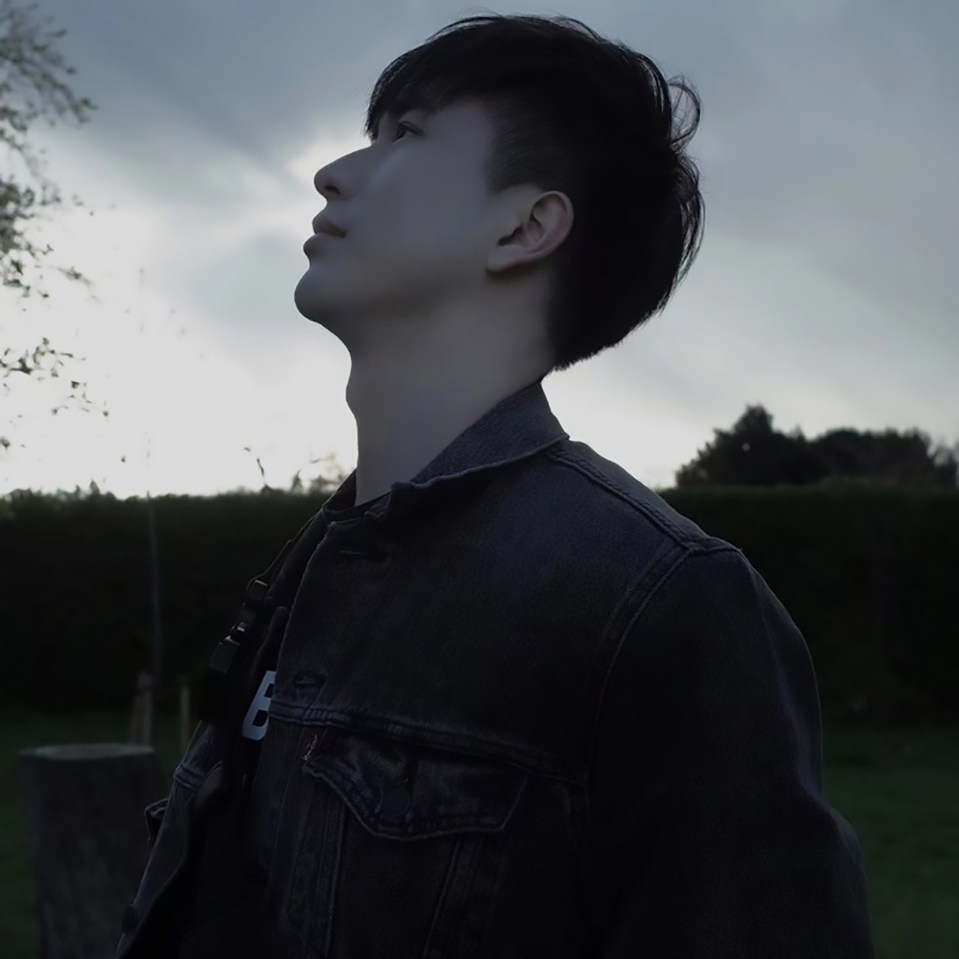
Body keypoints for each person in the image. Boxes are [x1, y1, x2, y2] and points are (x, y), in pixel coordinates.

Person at [117, 13, 876, 958]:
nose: (335, 172)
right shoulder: (316, 562)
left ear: (524, 225)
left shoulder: (659, 600)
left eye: (406, 135)